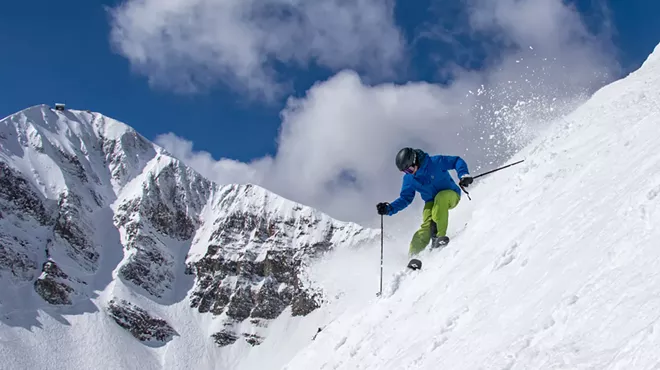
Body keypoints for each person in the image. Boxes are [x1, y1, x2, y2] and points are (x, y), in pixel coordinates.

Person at [377, 147, 473, 256]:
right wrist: (389, 208)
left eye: (409, 170)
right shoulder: (409, 179)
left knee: (440, 200)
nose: (409, 173)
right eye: (405, 172)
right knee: (426, 226)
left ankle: (439, 237)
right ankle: (412, 256)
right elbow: (405, 198)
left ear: (414, 161)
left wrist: (463, 175)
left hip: (451, 194)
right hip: (431, 201)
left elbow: (456, 161)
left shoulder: (435, 162)